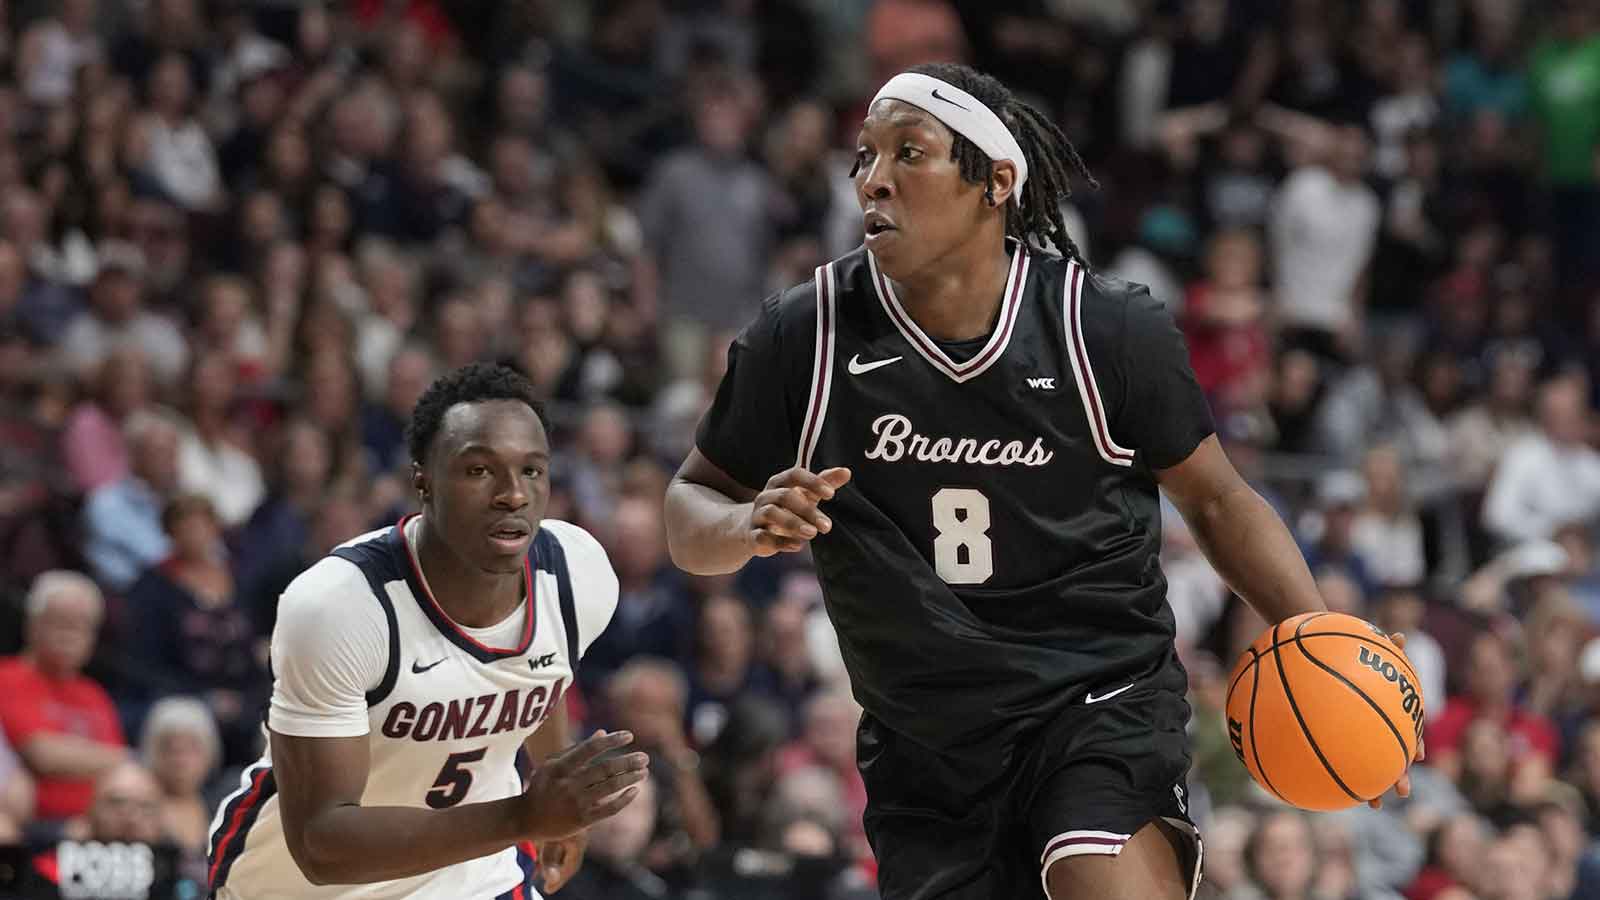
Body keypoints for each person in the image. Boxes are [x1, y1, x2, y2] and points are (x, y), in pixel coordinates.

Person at [663, 63, 1415, 900]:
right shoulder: (804, 335)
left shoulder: (1105, 328)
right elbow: (688, 507)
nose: (874, 179)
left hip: (1097, 693)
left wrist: (1326, 657)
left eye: (910, 153)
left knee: (1099, 878)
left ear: (997, 181)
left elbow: (1218, 498)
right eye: (865, 158)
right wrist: (743, 527)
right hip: (926, 738)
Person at [206, 363, 648, 899]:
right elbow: (321, 844)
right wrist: (528, 815)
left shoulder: (578, 572)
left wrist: (555, 791)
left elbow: (539, 672)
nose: (513, 494)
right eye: (480, 470)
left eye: (532, 470)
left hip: (473, 875)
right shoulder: (341, 606)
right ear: (422, 480)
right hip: (298, 885)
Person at [0, 571, 129, 822]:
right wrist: (116, 758)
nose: (70, 635)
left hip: (98, 824)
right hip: (32, 826)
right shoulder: (7, 677)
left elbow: (119, 764)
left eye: (82, 626)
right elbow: (41, 753)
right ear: (32, 624)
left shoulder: (94, 694)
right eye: (61, 622)